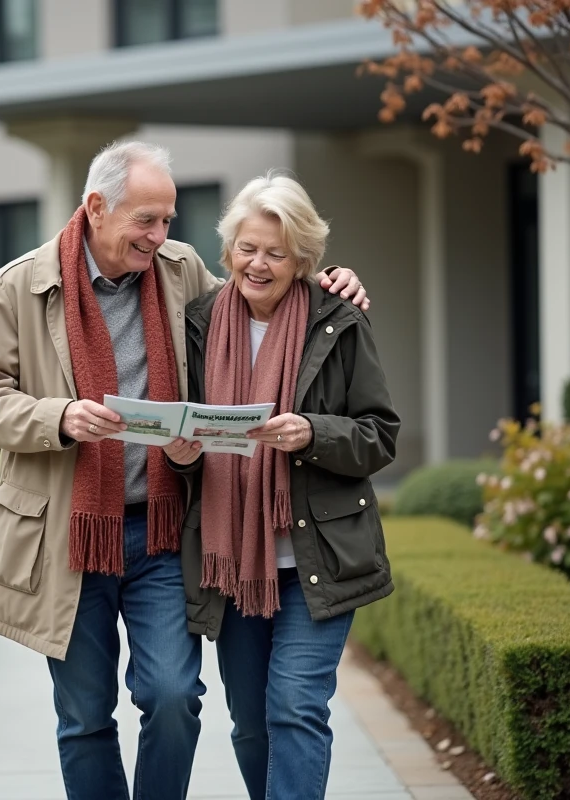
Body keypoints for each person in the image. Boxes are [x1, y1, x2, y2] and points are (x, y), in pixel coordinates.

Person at [0, 142, 372, 800]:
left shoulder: (180, 272)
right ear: (95, 207)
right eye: (146, 220)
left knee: (175, 695)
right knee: (86, 718)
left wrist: (329, 284)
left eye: (168, 221)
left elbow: (259, 295)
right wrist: (58, 417)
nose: (160, 236)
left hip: (160, 532)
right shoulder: (16, 285)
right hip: (68, 535)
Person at [165, 171, 400, 800]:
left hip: (318, 557)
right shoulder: (199, 323)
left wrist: (312, 433)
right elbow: (189, 438)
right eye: (247, 248)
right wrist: (183, 453)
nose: (258, 264)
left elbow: (380, 434)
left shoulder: (339, 320)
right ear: (227, 251)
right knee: (249, 724)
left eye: (276, 252)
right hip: (233, 560)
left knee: (295, 707)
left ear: (303, 258)